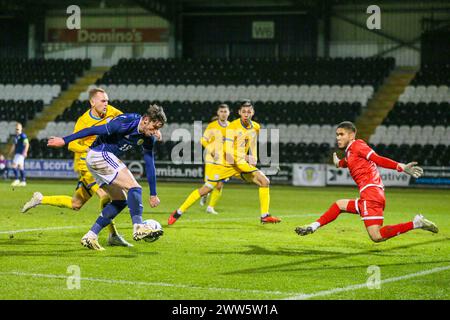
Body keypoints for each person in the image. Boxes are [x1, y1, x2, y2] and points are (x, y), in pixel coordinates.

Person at [22, 88, 132, 247]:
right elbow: (72, 144)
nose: (106, 104)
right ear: (92, 102)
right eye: (103, 101)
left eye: (107, 101)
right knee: (106, 196)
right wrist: (88, 150)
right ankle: (111, 235)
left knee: (76, 204)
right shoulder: (83, 121)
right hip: (86, 164)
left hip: (102, 162)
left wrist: (149, 130)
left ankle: (40, 199)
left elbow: (127, 121)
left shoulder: (112, 111)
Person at [47, 104, 167, 251]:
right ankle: (138, 227)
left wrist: (153, 193)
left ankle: (91, 235)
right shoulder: (126, 121)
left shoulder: (148, 137)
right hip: (98, 154)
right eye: (155, 127)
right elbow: (93, 130)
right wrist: (65, 140)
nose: (156, 132)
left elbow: (150, 164)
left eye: (158, 129)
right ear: (146, 120)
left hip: (99, 160)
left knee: (120, 200)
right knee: (134, 187)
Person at [295, 121, 438, 242]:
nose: (338, 137)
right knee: (339, 205)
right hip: (371, 194)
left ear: (351, 135)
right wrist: (338, 163)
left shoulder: (358, 145)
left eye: (341, 134)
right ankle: (313, 226)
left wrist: (400, 166)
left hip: (371, 194)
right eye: (337, 134)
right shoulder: (351, 151)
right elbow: (348, 162)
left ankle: (416, 223)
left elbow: (377, 158)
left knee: (376, 236)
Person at [168, 100, 280, 225]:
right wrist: (246, 156)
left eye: (249, 112)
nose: (246, 114)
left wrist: (253, 157)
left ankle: (264, 215)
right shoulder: (232, 127)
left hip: (241, 163)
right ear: (239, 113)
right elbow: (227, 149)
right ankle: (178, 212)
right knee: (206, 189)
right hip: (226, 162)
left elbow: (252, 143)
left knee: (264, 181)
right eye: (244, 112)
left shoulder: (256, 127)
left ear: (253, 113)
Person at [198, 104, 231, 215]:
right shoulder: (212, 126)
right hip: (211, 158)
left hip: (224, 160)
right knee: (209, 184)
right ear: (218, 113)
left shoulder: (232, 126)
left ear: (229, 113)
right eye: (221, 111)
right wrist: (211, 150)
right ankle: (205, 194)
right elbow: (202, 140)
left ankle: (210, 207)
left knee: (220, 184)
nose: (223, 113)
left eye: (225, 111)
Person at [9, 122, 29, 187]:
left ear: (21, 129)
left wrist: (25, 152)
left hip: (20, 154)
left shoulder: (23, 136)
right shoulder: (16, 137)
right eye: (16, 129)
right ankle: (23, 181)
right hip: (17, 153)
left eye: (18, 129)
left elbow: (27, 144)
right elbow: (14, 145)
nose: (17, 130)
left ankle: (17, 179)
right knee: (21, 167)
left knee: (14, 166)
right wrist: (11, 152)